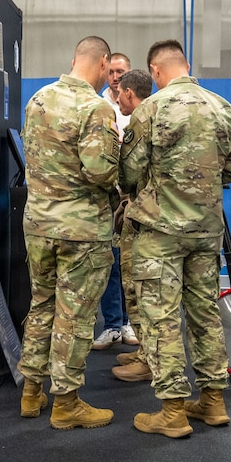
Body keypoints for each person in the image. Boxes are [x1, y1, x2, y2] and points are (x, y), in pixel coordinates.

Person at [118, 39, 231, 438]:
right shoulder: (221, 106)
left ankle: (173, 411)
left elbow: (128, 172)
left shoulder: (151, 109)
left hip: (160, 232)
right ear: (185, 65)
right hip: (207, 230)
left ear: (155, 70)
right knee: (205, 313)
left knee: (161, 318)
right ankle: (213, 400)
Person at [18, 36, 121, 430]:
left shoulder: (38, 100)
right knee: (74, 316)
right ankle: (66, 403)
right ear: (103, 62)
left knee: (42, 304)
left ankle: (31, 393)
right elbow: (100, 171)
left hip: (39, 224)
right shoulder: (95, 107)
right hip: (81, 230)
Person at [107, 69, 155, 378]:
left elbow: (127, 176)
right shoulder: (160, 113)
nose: (117, 100)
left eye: (119, 94)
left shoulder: (142, 118)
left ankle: (148, 361)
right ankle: (145, 352)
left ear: (128, 92)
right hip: (159, 217)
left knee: (138, 289)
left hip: (142, 217)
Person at [93, 52, 138, 351]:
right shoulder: (99, 107)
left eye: (120, 71)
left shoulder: (140, 109)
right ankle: (112, 324)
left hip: (133, 195)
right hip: (109, 194)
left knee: (131, 262)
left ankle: (130, 322)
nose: (115, 76)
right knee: (111, 261)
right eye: (111, 72)